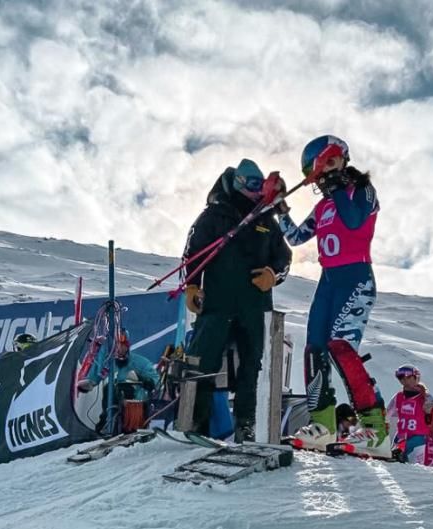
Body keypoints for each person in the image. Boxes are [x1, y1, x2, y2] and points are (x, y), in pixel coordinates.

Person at [275, 135, 387, 456]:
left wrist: (339, 187)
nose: (323, 176)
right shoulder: (323, 205)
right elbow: (296, 237)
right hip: (328, 282)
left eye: (329, 165)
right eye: (318, 172)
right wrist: (281, 209)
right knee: (315, 349)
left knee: (341, 347)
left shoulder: (362, 191)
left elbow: (353, 221)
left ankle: (375, 429)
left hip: (356, 278)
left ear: (341, 160)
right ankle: (322, 425)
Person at [183, 158, 292, 443]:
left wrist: (273, 273)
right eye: (252, 184)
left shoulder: (266, 220)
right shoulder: (214, 216)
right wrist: (192, 285)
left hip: (254, 306)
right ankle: (196, 424)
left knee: (252, 365)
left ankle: (247, 425)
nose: (258, 191)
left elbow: (284, 258)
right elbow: (192, 252)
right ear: (237, 183)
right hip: (217, 303)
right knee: (202, 361)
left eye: (261, 185)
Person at [78, 329, 159, 435]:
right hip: (113, 405)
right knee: (109, 388)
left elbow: (155, 380)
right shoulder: (109, 363)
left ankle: (126, 423)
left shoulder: (140, 362)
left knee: (124, 387)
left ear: (127, 346)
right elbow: (97, 373)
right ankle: (108, 421)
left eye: (122, 346)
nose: (119, 349)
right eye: (116, 346)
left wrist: (143, 379)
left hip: (135, 405)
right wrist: (89, 383)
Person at [387, 364, 433, 464]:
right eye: (400, 377)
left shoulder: (426, 398)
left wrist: (430, 412)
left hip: (419, 438)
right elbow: (387, 415)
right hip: (401, 437)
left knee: (414, 468)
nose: (404, 380)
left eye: (408, 376)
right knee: (394, 464)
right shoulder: (398, 397)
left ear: (416, 377)